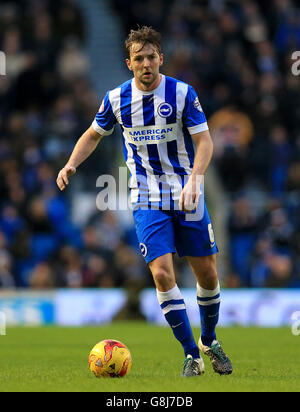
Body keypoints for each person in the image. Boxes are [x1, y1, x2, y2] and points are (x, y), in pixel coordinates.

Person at [56, 26, 232, 377]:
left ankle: (208, 340)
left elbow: (205, 142)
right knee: (163, 273)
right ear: (129, 63)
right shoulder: (116, 99)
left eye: (152, 57)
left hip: (186, 193)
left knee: (208, 274)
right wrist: (71, 163)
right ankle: (190, 356)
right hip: (146, 198)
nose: (146, 63)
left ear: (161, 58)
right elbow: (93, 134)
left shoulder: (182, 93)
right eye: (139, 58)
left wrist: (195, 180)